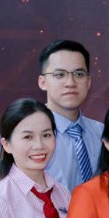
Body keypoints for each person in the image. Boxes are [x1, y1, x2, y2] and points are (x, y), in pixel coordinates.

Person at [38, 40, 97, 193]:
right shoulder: (29, 137)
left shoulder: (103, 134)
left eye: (79, 74)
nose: (70, 83)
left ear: (88, 82)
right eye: (60, 74)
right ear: (43, 82)